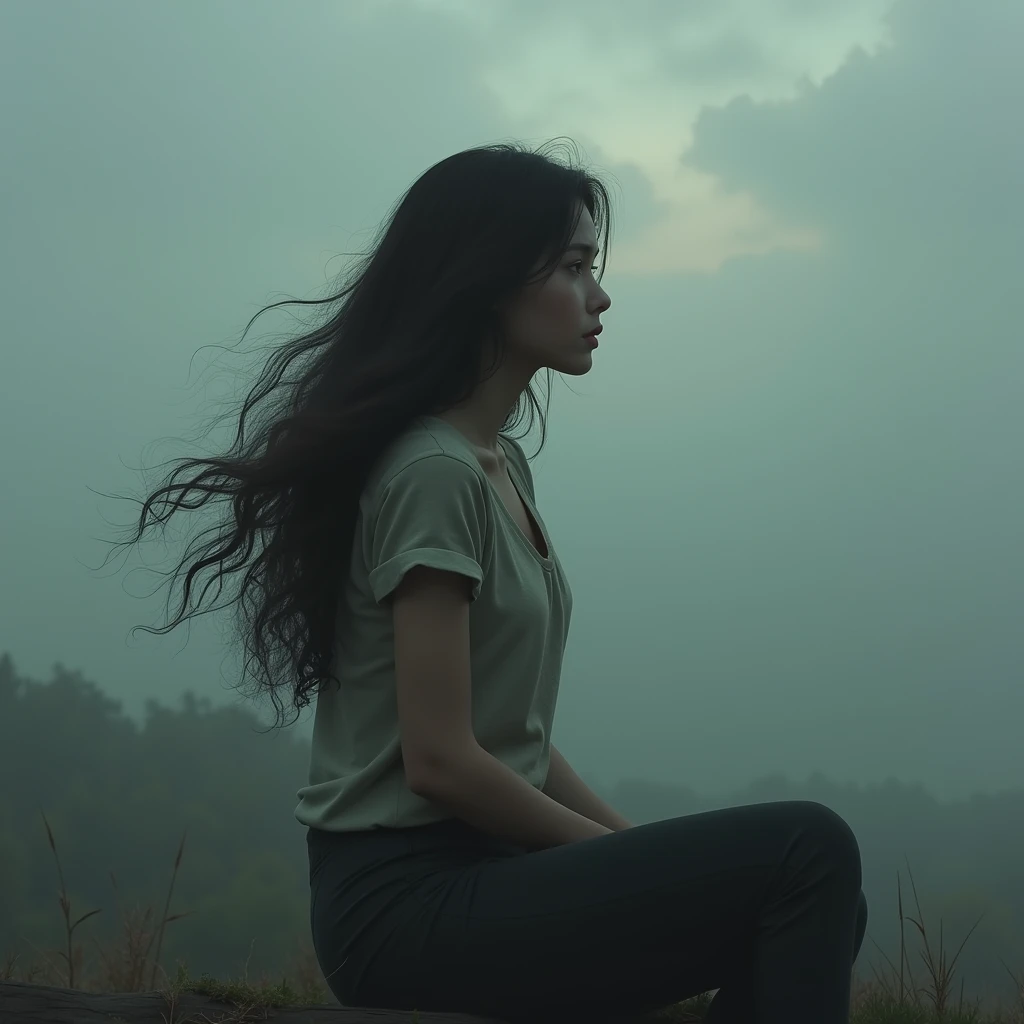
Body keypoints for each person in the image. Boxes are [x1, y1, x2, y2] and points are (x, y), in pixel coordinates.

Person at [113, 138, 867, 1022]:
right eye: (577, 267)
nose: (601, 295)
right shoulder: (431, 473)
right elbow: (440, 762)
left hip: (486, 876)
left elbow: (515, 741)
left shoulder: (496, 463)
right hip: (405, 908)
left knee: (819, 886)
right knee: (810, 847)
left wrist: (646, 859)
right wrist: (629, 868)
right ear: (491, 278)